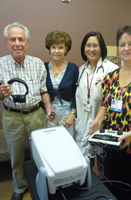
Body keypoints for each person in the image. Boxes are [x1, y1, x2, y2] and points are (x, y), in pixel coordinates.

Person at [89, 25, 131, 200]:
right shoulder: (111, 76)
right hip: (110, 144)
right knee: (110, 186)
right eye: (122, 44)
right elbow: (106, 104)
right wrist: (98, 120)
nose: (126, 48)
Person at [0, 22, 56, 200]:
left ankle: (39, 183)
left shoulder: (38, 63)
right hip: (11, 116)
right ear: (6, 43)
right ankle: (19, 187)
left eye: (21, 39)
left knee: (39, 153)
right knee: (16, 155)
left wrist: (48, 107)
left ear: (27, 43)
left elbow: (43, 90)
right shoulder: (0, 64)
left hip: (36, 114)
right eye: (12, 39)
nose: (17, 43)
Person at [75, 31, 119, 156]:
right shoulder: (81, 70)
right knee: (82, 161)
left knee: (100, 163)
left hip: (101, 125)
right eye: (88, 45)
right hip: (82, 125)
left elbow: (112, 101)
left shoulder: (111, 69)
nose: (91, 49)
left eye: (95, 45)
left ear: (101, 48)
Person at [44, 30, 79, 138]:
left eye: (60, 47)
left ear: (66, 49)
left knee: (66, 147)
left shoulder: (73, 68)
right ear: (49, 49)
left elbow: (77, 94)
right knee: (50, 146)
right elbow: (42, 91)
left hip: (66, 117)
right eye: (53, 47)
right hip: (49, 116)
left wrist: (72, 115)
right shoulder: (44, 67)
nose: (57, 51)